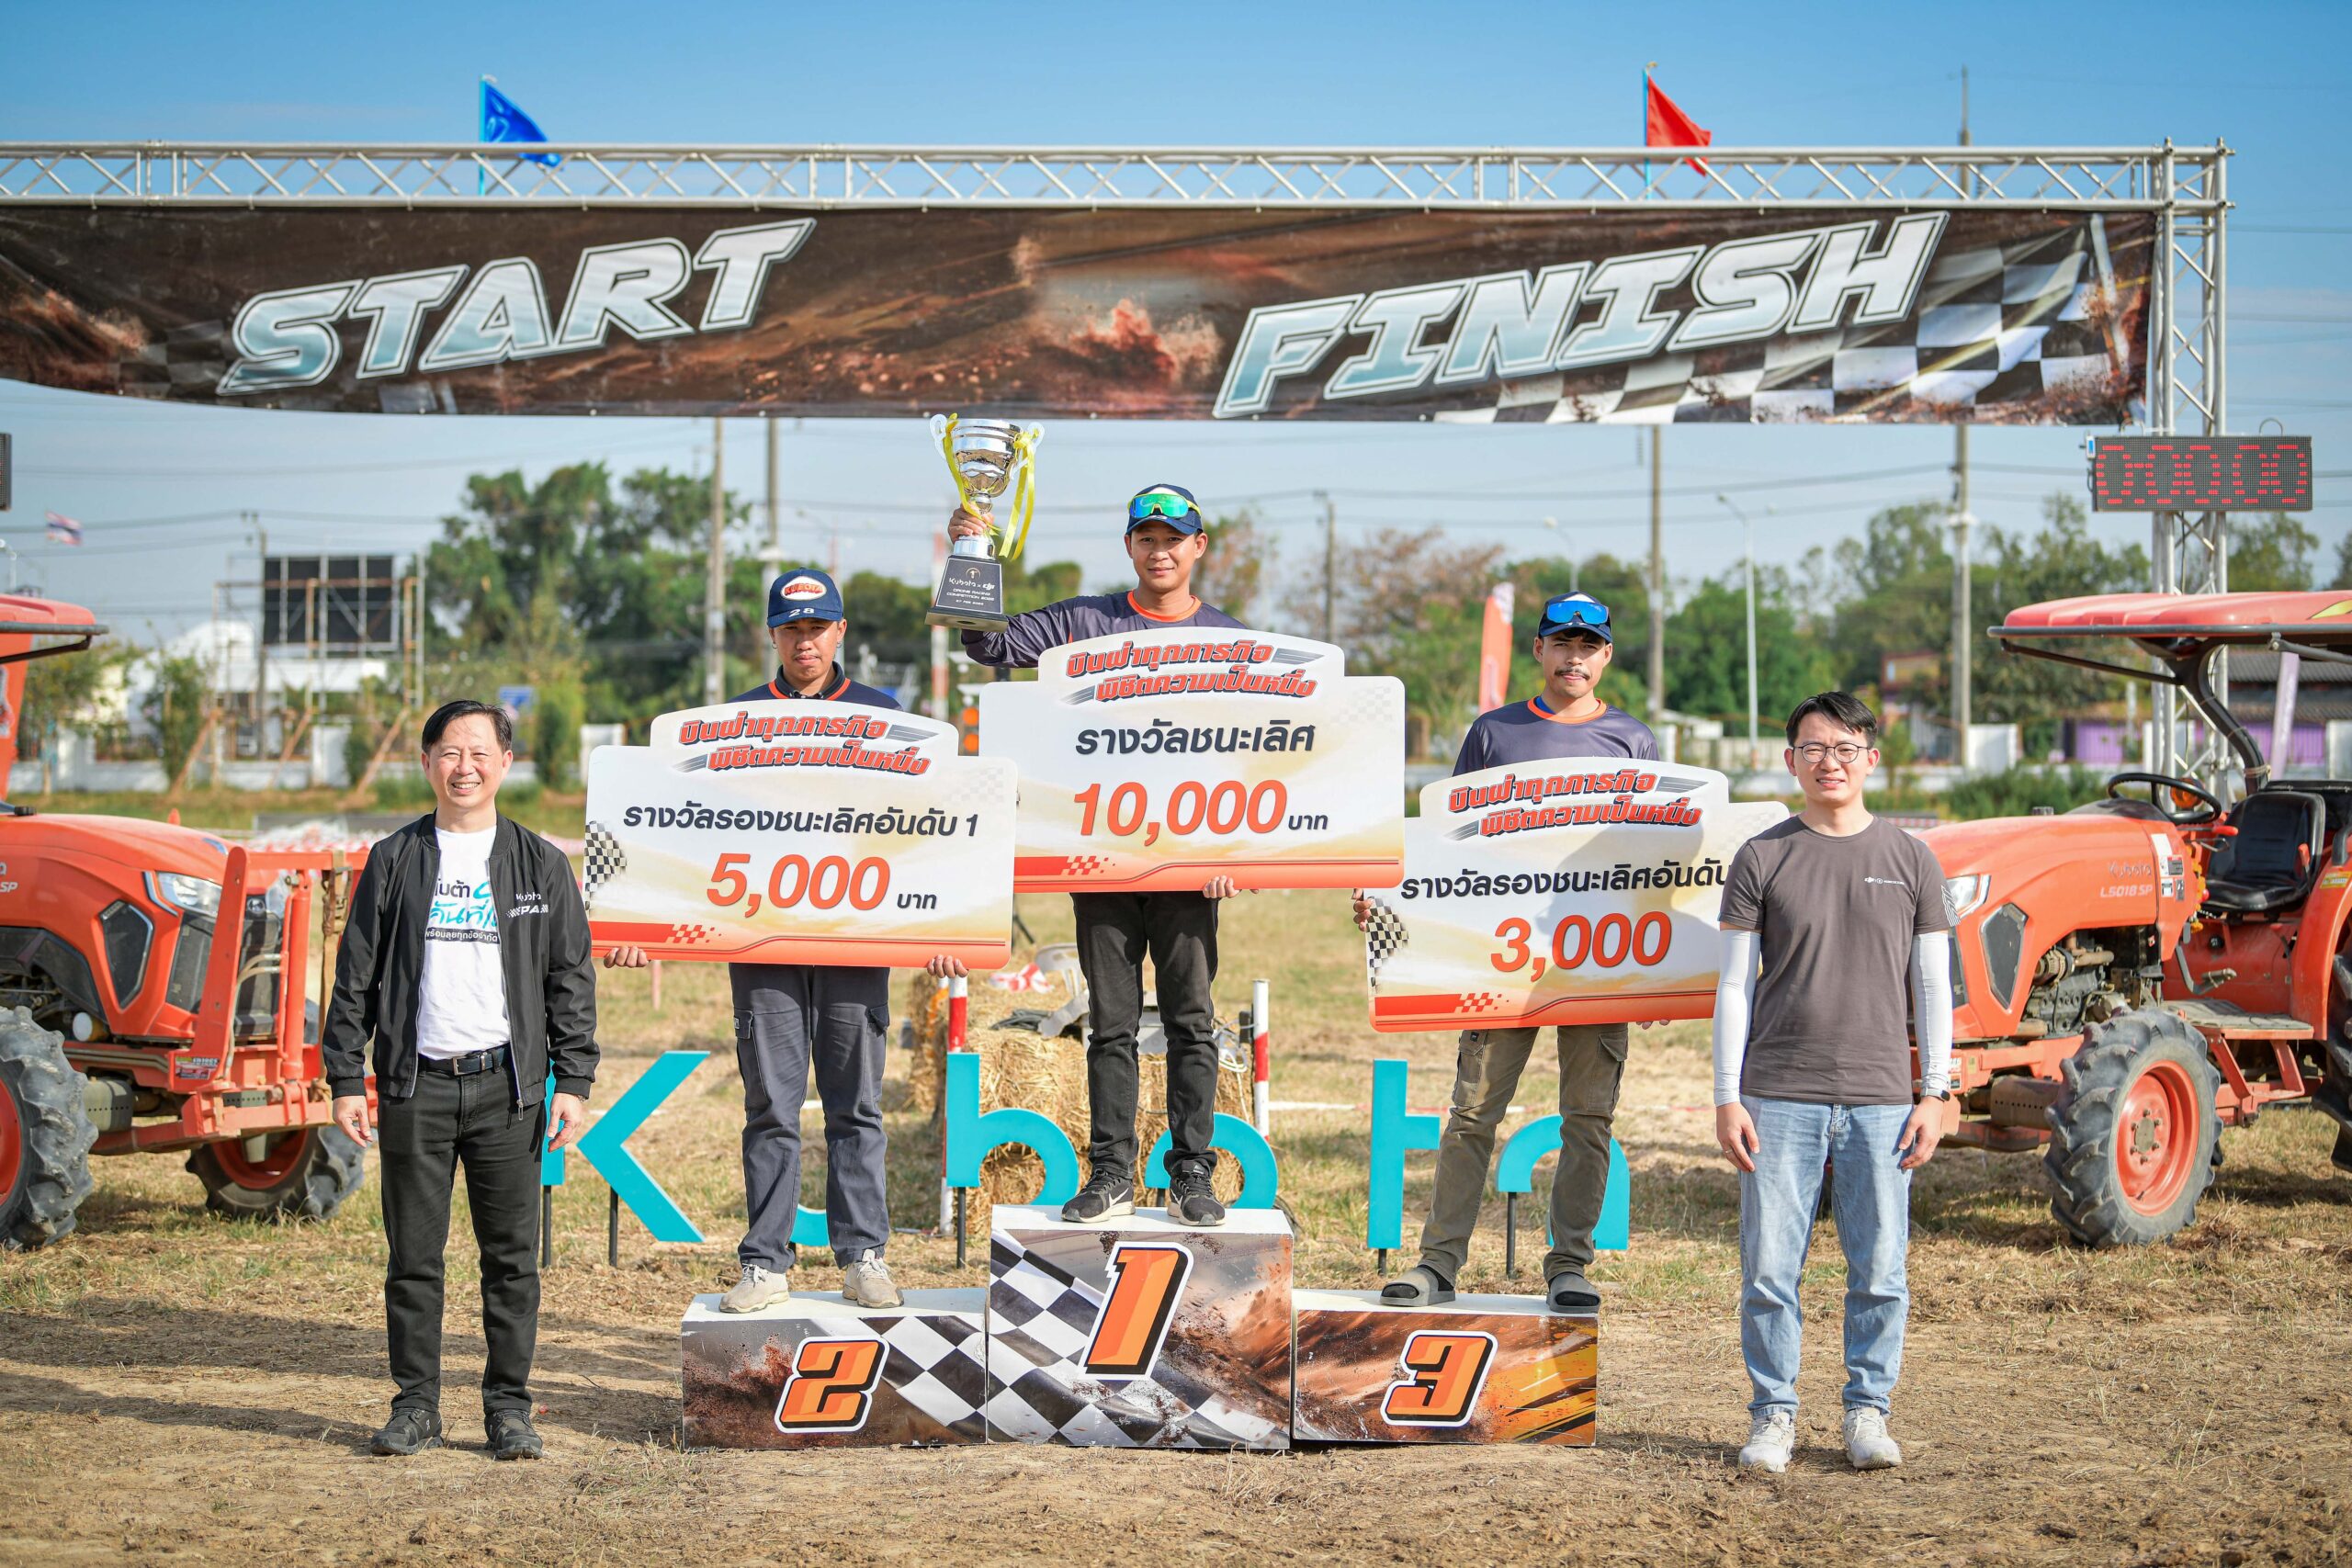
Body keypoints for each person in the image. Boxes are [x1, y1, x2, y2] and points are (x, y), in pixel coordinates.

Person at [606, 569, 912, 1313]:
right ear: (771, 634)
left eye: (817, 628)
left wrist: (940, 927)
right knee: (771, 1106)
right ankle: (765, 1262)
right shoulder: (731, 724)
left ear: (841, 632)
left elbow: (920, 833)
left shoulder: (888, 716)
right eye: (790, 629)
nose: (804, 641)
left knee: (856, 1105)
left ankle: (863, 1254)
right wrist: (635, 917)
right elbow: (682, 827)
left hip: (853, 941)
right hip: (763, 944)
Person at [937, 483, 1243, 1228]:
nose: (1161, 548)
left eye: (1175, 537)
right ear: (1130, 545)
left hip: (1188, 866)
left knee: (1190, 1022)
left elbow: (1250, 753)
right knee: (1108, 1022)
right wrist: (967, 556)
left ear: (1199, 547)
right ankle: (1110, 1173)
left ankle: (1192, 1175)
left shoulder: (1234, 641)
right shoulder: (1084, 622)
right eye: (1147, 536)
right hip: (1097, 858)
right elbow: (987, 644)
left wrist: (1242, 851)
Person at [1355, 592, 1657, 1313]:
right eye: (1562, 642)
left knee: (1589, 1117)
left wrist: (1658, 975)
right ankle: (1438, 1264)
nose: (1575, 656)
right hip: (1501, 956)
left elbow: (1655, 864)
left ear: (1606, 655)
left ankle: (1570, 1264)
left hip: (1598, 961)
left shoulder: (1634, 741)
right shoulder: (1495, 733)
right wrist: (1389, 898)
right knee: (1471, 1114)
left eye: (1589, 645)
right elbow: (1446, 844)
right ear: (1540, 651)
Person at [324, 699, 599, 1461]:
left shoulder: (541, 863)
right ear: (427, 764)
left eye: (480, 751)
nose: (465, 765)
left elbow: (569, 977)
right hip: (417, 1087)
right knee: (413, 1259)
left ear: (506, 763)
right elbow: (355, 977)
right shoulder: (395, 859)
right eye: (449, 751)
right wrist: (347, 1075)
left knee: (511, 1260)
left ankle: (509, 1408)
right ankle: (415, 1405)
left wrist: (571, 1079)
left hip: (508, 1091)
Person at [1713, 691, 1952, 1475]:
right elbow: (1735, 987)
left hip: (1885, 1096)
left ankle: (1867, 1411)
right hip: (1779, 1092)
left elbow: (1933, 988)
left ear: (1871, 759)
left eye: (1846, 747)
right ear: (1791, 761)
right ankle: (1773, 1414)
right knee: (1769, 1267)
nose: (1830, 761)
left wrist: (1937, 1090)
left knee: (1881, 1267)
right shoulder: (1763, 856)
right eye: (1814, 747)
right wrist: (1726, 1093)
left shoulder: (1912, 858)